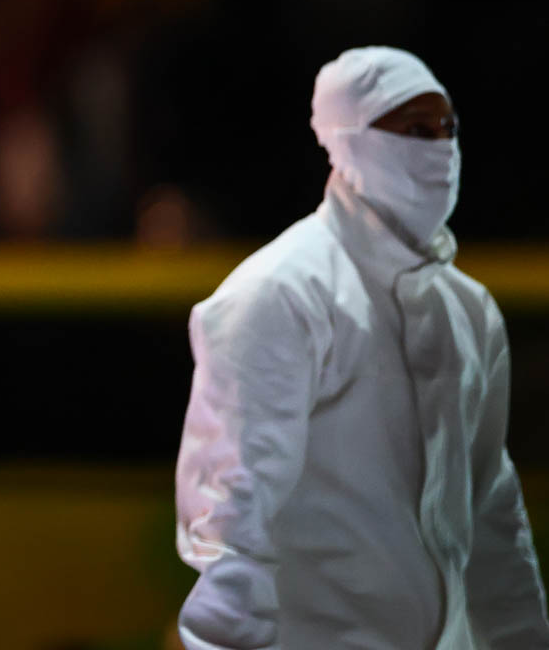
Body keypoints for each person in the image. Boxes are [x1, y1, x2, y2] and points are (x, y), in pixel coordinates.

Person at [174, 46, 549, 649]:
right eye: (414, 130)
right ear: (347, 141)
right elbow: (231, 516)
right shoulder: (278, 295)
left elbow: (490, 513)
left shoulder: (469, 310)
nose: (439, 149)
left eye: (447, 129)